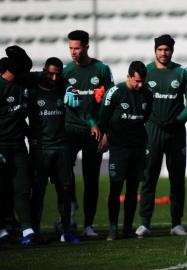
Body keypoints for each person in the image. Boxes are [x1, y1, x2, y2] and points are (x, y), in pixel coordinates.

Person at [136, 34, 187, 237]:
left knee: (177, 179)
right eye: (160, 49)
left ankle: (176, 223)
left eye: (167, 49)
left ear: (172, 50)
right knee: (148, 176)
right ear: (155, 50)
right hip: (152, 130)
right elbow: (136, 96)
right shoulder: (146, 71)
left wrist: (178, 120)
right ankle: (145, 223)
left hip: (176, 131)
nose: (163, 53)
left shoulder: (182, 72)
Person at [63, 30, 114, 237]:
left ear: (86, 47)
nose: (73, 52)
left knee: (91, 179)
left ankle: (88, 225)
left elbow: (111, 102)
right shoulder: (65, 72)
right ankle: (70, 210)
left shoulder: (101, 69)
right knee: (65, 175)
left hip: (95, 132)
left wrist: (107, 133)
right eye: (71, 48)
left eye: (77, 48)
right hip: (69, 130)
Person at [27, 57, 80, 244]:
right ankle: (34, 232)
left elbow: (72, 92)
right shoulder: (33, 91)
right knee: (38, 192)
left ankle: (67, 231)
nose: (55, 77)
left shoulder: (64, 89)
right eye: (51, 73)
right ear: (44, 71)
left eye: (58, 74)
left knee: (64, 192)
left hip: (61, 148)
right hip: (40, 149)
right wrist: (31, 136)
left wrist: (71, 91)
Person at [99, 61, 153, 241]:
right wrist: (106, 135)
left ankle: (128, 228)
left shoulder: (147, 94)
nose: (140, 85)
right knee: (115, 188)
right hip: (119, 148)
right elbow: (103, 118)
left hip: (138, 147)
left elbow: (145, 116)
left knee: (132, 189)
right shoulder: (115, 92)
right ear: (129, 76)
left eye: (142, 81)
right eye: (137, 81)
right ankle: (113, 229)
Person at [0, 45, 35, 245]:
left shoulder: (22, 85)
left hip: (18, 145)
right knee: (2, 189)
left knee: (22, 187)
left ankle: (28, 230)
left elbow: (18, 118)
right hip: (1, 146)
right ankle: (3, 230)